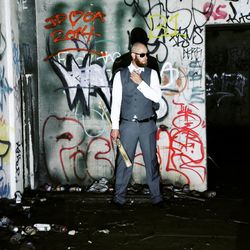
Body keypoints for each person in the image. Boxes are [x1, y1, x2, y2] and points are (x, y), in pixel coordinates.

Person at [110, 42, 164, 208]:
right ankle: (119, 198)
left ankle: (157, 198)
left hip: (147, 125)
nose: (146, 57)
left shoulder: (152, 74)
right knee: (124, 162)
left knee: (151, 161)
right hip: (128, 126)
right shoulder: (120, 75)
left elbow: (157, 98)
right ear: (133, 55)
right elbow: (116, 102)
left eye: (147, 54)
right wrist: (115, 127)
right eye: (142, 55)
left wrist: (140, 83)